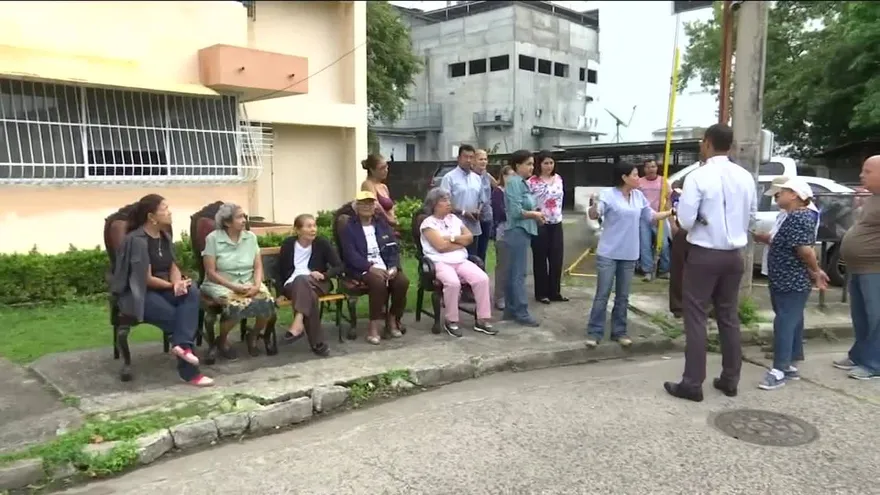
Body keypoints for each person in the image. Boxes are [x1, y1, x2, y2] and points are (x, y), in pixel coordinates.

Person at [663, 124, 757, 402]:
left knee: (696, 316)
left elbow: (686, 221)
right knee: (728, 316)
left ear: (707, 143)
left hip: (704, 254)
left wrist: (693, 218)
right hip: (734, 256)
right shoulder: (745, 176)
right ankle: (730, 378)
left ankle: (692, 383)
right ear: (730, 145)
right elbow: (750, 216)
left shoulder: (699, 176)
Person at [110, 194, 213, 387]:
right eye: (164, 209)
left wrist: (178, 284)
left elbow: (173, 266)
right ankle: (190, 373)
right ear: (151, 217)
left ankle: (182, 347)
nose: (169, 212)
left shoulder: (164, 235)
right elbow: (145, 279)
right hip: (138, 293)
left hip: (163, 287)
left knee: (191, 291)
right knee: (178, 318)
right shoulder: (137, 240)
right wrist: (172, 286)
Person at [585, 162, 674, 349]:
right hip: (608, 252)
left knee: (623, 296)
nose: (638, 178)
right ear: (624, 177)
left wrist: (671, 212)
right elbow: (595, 214)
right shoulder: (607, 195)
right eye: (634, 175)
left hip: (629, 253)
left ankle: (619, 332)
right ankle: (595, 332)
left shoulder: (638, 196)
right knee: (603, 294)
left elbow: (650, 216)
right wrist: (593, 207)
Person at [753, 178, 828, 390]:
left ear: (794, 194)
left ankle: (780, 369)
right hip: (783, 277)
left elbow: (804, 249)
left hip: (791, 279)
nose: (777, 196)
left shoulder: (800, 217)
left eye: (781, 193)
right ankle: (791, 363)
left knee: (784, 321)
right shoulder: (791, 215)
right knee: (791, 319)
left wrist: (815, 271)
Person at [201, 203, 276, 359]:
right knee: (235, 305)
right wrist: (233, 286)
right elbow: (211, 272)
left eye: (244, 216)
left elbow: (257, 266)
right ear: (227, 222)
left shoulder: (251, 237)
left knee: (267, 303)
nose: (244, 220)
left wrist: (256, 285)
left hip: (249, 281)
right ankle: (221, 341)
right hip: (221, 283)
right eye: (239, 217)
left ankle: (253, 335)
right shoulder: (213, 239)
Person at [419, 187, 496, 337]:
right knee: (453, 283)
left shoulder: (454, 219)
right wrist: (459, 242)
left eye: (448, 199)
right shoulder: (428, 224)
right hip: (439, 262)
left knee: (482, 279)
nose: (448, 203)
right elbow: (440, 247)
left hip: (460, 260)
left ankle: (482, 319)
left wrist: (450, 239)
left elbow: (469, 238)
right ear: (434, 204)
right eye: (444, 200)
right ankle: (451, 321)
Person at [340, 190, 410, 345]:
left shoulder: (381, 224)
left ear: (375, 207)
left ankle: (392, 319)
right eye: (363, 203)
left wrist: (393, 267)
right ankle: (374, 326)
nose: (367, 206)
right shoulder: (349, 227)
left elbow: (393, 248)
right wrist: (370, 267)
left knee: (402, 281)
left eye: (370, 203)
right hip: (361, 269)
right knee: (377, 283)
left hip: (385, 265)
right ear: (356, 207)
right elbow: (350, 255)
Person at [836, 155, 880, 380]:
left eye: (867, 171)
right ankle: (859, 355)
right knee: (860, 316)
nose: (861, 175)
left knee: (876, 318)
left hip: (875, 268)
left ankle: (874, 364)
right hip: (858, 267)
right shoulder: (872, 197)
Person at [278, 213, 343, 357]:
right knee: (307, 291)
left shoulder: (322, 243)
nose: (313, 229)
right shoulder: (288, 244)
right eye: (309, 226)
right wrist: (280, 293)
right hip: (293, 285)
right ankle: (317, 343)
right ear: (298, 230)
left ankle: (298, 322)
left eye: (314, 226)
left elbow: (339, 266)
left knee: (303, 281)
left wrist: (324, 275)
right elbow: (280, 271)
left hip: (318, 282)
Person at [503, 149, 544, 327]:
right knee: (518, 274)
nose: (531, 167)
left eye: (532, 164)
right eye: (528, 164)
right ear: (518, 165)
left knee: (515, 272)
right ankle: (520, 310)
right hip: (516, 231)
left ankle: (512, 309)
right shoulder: (514, 183)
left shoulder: (522, 183)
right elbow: (515, 211)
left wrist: (536, 215)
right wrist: (534, 215)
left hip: (524, 231)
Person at [528, 150, 567, 304]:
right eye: (545, 163)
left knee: (557, 259)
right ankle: (541, 293)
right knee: (540, 259)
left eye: (551, 163)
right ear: (540, 164)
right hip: (540, 223)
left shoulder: (558, 179)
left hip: (556, 222)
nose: (549, 166)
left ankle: (555, 291)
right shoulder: (532, 181)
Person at [440, 144, 483, 257]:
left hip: (473, 226)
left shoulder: (477, 178)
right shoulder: (449, 178)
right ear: (458, 158)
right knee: (457, 258)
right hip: (455, 228)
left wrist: (478, 210)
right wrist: (464, 212)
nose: (468, 160)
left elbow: (481, 200)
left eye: (471, 157)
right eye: (465, 157)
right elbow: (444, 204)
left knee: (473, 259)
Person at [637, 158, 672, 281]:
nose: (651, 169)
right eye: (648, 167)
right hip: (644, 218)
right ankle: (647, 271)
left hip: (660, 217)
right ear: (644, 169)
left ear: (657, 168)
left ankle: (664, 270)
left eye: (653, 166)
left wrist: (666, 213)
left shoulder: (663, 181)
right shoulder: (639, 182)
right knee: (644, 245)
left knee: (664, 244)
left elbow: (669, 198)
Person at [491, 166, 515, 310]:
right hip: (503, 232)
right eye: (509, 176)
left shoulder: (516, 191)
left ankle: (510, 295)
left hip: (516, 232)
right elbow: (500, 213)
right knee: (503, 266)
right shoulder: (498, 192)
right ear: (503, 176)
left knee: (514, 266)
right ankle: (499, 297)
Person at [668, 178, 689, 318]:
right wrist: (673, 225)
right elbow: (668, 205)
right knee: (679, 269)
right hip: (682, 230)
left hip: (702, 232)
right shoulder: (677, 193)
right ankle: (678, 306)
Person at [360, 154, 398, 227]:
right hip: (376, 226)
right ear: (372, 170)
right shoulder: (367, 184)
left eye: (386, 167)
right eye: (382, 168)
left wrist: (392, 216)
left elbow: (390, 207)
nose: (386, 171)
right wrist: (388, 219)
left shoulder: (384, 187)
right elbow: (375, 205)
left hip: (388, 226)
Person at [472, 149, 494, 265]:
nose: (484, 162)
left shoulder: (486, 175)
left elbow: (499, 186)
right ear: (473, 161)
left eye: (485, 159)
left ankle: (482, 272)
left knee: (483, 249)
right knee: (474, 250)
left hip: (487, 216)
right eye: (481, 159)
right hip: (474, 216)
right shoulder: (471, 177)